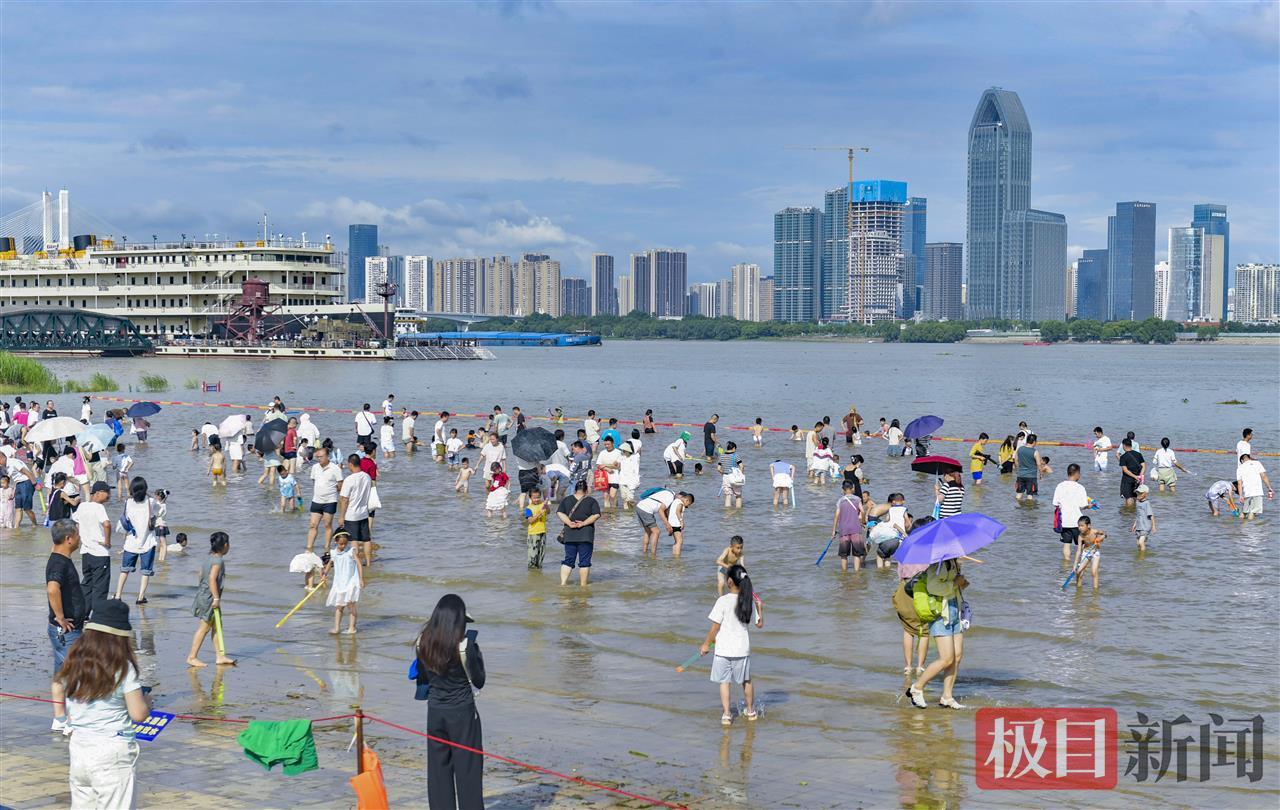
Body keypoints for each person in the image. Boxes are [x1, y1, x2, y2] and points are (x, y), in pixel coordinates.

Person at [51, 598, 151, 808]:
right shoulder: (122, 666)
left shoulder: (75, 661)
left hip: (79, 748)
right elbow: (138, 714)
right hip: (112, 752)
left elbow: (57, 685)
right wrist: (147, 702)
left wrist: (60, 717)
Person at [414, 594, 485, 810]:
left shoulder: (422, 643)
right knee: (468, 770)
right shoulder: (465, 646)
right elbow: (479, 681)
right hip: (462, 712)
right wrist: (477, 653)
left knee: (438, 770)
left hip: (435, 711)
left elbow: (423, 678)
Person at [699, 564, 761, 726]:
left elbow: (715, 627)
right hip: (742, 648)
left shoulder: (723, 601)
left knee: (724, 682)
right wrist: (760, 609)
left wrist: (706, 644)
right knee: (746, 681)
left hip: (723, 649)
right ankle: (751, 711)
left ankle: (727, 714)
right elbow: (759, 624)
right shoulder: (749, 601)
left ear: (730, 582)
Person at [905, 558, 968, 709]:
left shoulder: (952, 563)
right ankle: (917, 688)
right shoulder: (937, 565)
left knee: (957, 657)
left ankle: (947, 696)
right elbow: (933, 588)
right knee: (946, 659)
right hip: (941, 614)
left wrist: (962, 583)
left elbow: (954, 588)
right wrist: (954, 584)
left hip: (954, 610)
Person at [47, 519, 87, 733]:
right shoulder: (59, 563)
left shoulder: (60, 558)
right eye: (78, 535)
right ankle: (71, 721)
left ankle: (59, 718)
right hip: (66, 630)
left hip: (63, 629)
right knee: (74, 674)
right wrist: (60, 617)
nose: (80, 539)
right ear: (69, 539)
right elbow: (52, 589)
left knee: (60, 673)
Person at [893, 517, 934, 676]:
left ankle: (908, 666)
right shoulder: (931, 550)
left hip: (903, 589)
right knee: (924, 631)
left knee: (907, 629)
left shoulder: (907, 546)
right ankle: (920, 666)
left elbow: (900, 572)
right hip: (921, 590)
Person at [187, 532, 235, 667]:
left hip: (204, 594)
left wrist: (203, 590)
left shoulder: (209, 558)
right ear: (225, 545)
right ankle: (192, 657)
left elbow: (200, 574)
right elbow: (212, 578)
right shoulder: (218, 561)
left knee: (217, 626)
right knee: (205, 627)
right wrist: (215, 598)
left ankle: (220, 656)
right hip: (210, 598)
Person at [114, 477, 158, 605]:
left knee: (125, 569)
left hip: (131, 542)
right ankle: (140, 597)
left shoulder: (128, 503)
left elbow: (126, 519)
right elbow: (158, 511)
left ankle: (118, 595)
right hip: (147, 542)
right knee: (146, 571)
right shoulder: (151, 502)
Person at [74, 482, 113, 618]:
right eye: (107, 492)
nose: (109, 495)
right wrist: (107, 541)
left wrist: (81, 538)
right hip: (100, 552)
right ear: (98, 493)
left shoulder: (83, 506)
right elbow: (107, 524)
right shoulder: (99, 507)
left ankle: (82, 614)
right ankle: (98, 616)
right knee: (100, 587)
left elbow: (77, 524)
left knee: (87, 584)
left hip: (86, 552)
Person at [556, 479, 601, 586]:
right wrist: (583, 523)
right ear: (586, 490)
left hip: (570, 535)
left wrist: (569, 523)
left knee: (568, 560)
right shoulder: (591, 501)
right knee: (584, 562)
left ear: (575, 489)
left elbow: (559, 512)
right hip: (586, 535)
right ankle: (583, 586)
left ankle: (563, 584)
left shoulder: (566, 500)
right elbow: (596, 515)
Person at [324, 529, 363, 634]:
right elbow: (329, 564)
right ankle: (337, 628)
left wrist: (361, 579)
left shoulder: (351, 551)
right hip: (339, 583)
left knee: (351, 605)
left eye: (345, 544)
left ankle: (352, 627)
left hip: (351, 582)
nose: (343, 546)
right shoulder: (333, 553)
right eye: (341, 544)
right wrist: (324, 574)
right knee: (339, 606)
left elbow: (359, 564)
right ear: (335, 541)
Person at [337, 454, 373, 566]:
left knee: (354, 540)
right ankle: (368, 563)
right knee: (366, 540)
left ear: (350, 464)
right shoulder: (367, 477)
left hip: (351, 515)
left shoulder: (349, 479)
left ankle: (355, 563)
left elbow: (344, 499)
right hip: (364, 513)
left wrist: (341, 516)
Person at [306, 446, 343, 553]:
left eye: (321, 456)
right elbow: (314, 481)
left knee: (327, 525)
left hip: (330, 501)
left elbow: (340, 485)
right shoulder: (315, 468)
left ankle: (327, 547)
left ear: (327, 456)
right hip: (316, 500)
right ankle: (309, 547)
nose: (319, 459)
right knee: (313, 525)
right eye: (317, 457)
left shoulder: (335, 468)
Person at [1052, 464, 1092, 561]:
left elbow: (1055, 503)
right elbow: (1083, 505)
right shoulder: (1080, 488)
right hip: (1077, 522)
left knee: (1066, 544)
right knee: (1081, 544)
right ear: (1076, 473)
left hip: (1064, 521)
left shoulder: (1060, 486)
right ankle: (1081, 563)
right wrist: (1089, 505)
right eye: (1079, 473)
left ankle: (1066, 564)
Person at [831, 480, 866, 572]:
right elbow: (862, 511)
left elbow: (836, 516)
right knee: (857, 554)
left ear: (843, 490)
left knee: (844, 555)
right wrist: (863, 521)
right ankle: (857, 572)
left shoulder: (840, 501)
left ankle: (844, 573)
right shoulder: (857, 499)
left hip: (844, 530)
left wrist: (833, 530)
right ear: (853, 488)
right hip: (856, 529)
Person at [1235, 453, 1273, 520]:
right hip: (1257, 491)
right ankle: (1250, 528)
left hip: (1247, 492)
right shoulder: (1257, 463)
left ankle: (1240, 525)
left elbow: (1239, 483)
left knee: (1244, 511)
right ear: (1250, 458)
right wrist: (1269, 487)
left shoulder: (1239, 468)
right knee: (1253, 511)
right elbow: (1263, 476)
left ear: (1242, 461)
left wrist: (1241, 495)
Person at [1073, 516, 1104, 590]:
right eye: (1079, 526)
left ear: (1088, 525)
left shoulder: (1094, 532)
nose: (1080, 528)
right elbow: (1078, 551)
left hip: (1095, 553)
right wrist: (1075, 564)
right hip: (1086, 553)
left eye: (1082, 526)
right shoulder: (1080, 536)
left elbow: (1103, 534)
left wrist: (1099, 539)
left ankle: (1095, 592)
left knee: (1094, 572)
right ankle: (1078, 590)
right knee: (1078, 572)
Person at [523, 488, 550, 570]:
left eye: (538, 497)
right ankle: (531, 569)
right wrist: (539, 513)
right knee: (532, 553)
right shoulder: (529, 508)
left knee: (541, 552)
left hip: (543, 531)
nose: (537, 499)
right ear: (530, 498)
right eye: (534, 498)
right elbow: (530, 521)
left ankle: (539, 568)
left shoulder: (542, 504)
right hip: (533, 533)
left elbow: (548, 512)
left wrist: (546, 505)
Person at [595, 435, 622, 509]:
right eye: (605, 444)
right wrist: (607, 469)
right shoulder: (602, 453)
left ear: (613, 443)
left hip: (615, 478)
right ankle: (607, 514)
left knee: (612, 495)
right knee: (606, 496)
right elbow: (598, 465)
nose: (607, 446)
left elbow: (618, 466)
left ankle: (614, 510)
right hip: (604, 478)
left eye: (608, 444)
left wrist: (604, 465)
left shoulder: (618, 452)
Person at [1118, 438, 1145, 507]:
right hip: (1137, 480)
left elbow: (1125, 470)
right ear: (1131, 445)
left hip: (1127, 480)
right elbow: (1144, 466)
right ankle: (1134, 515)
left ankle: (1129, 514)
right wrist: (1140, 476)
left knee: (1128, 498)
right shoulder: (1138, 454)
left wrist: (1134, 476)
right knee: (1135, 496)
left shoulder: (1123, 457)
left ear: (1124, 445)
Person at [1014, 434, 1041, 501]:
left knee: (1019, 494)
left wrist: (1018, 469)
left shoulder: (1020, 449)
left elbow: (1016, 460)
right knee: (1030, 495)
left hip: (1020, 475)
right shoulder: (1035, 452)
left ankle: (1017, 509)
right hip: (1031, 476)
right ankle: (1029, 510)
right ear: (1034, 441)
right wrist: (1041, 473)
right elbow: (1039, 464)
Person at [618, 441, 641, 509]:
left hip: (632, 481)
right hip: (622, 480)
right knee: (624, 499)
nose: (623, 451)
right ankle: (626, 515)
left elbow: (639, 450)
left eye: (624, 450)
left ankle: (632, 513)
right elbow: (617, 464)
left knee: (630, 499)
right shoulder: (621, 457)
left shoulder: (635, 457)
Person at [1132, 485, 1156, 551]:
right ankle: (1141, 553)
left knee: (1141, 542)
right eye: (1137, 493)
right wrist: (1134, 524)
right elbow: (1138, 515)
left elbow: (1151, 515)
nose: (1138, 495)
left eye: (1140, 493)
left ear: (1145, 494)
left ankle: (1142, 557)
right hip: (1139, 526)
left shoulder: (1146, 503)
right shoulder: (1137, 502)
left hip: (1145, 527)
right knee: (1138, 543)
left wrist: (1153, 526)